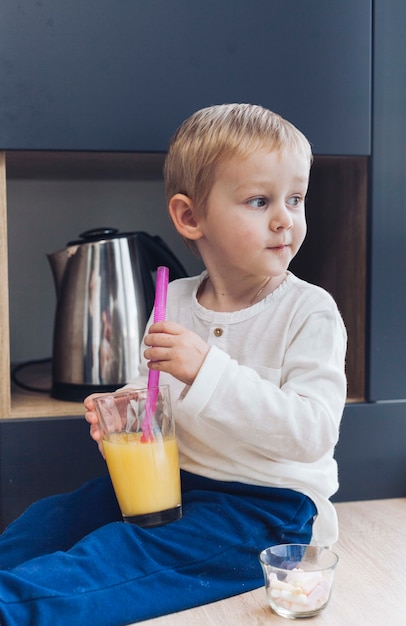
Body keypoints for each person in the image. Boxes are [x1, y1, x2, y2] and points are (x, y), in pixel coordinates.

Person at [0, 104, 346, 625]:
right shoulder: (176, 302)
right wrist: (123, 403)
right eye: (259, 200)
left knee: (120, 557)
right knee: (50, 520)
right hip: (175, 481)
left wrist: (208, 369)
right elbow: (153, 390)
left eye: (295, 199)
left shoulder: (309, 311)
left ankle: (15, 608)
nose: (285, 219)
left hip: (269, 511)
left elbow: (312, 432)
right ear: (190, 217)